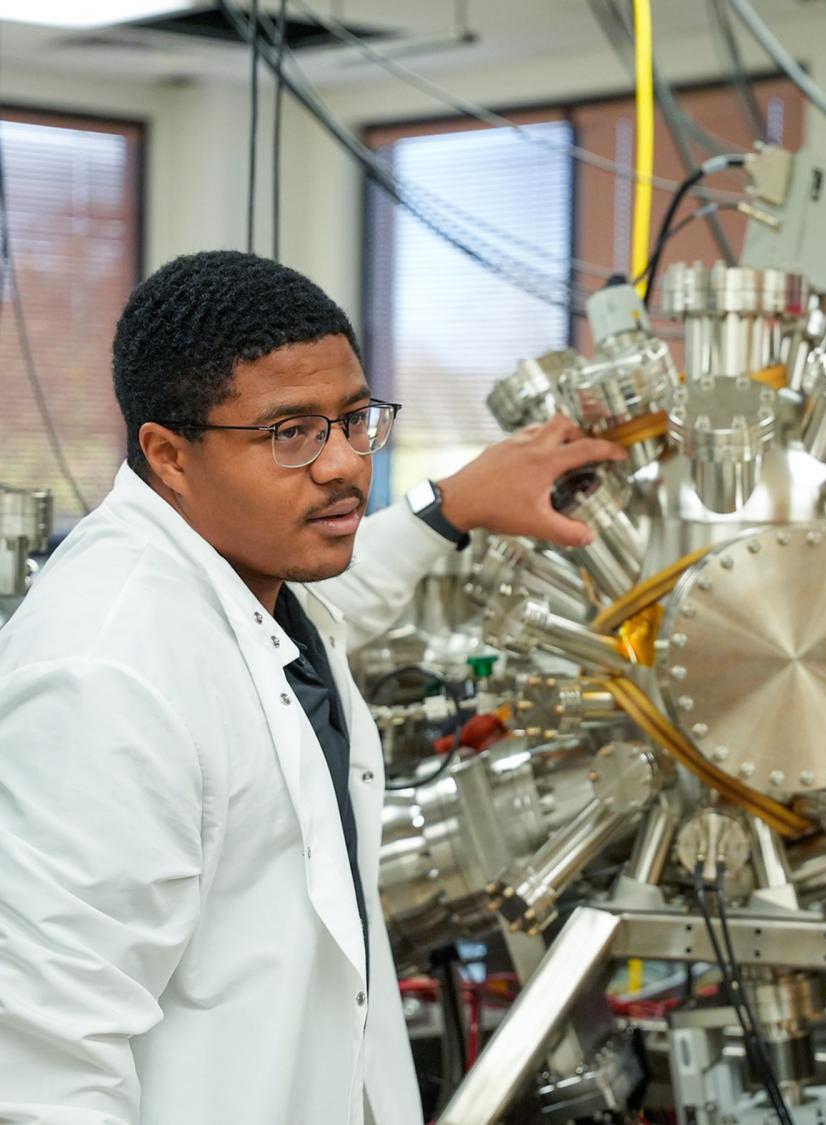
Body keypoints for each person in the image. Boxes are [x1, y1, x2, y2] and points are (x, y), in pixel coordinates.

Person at [0, 250, 623, 1125]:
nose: (344, 465)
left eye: (356, 417)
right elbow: (41, 1068)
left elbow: (332, 602)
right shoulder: (104, 677)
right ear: (169, 454)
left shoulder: (252, 580)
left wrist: (457, 503)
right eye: (291, 433)